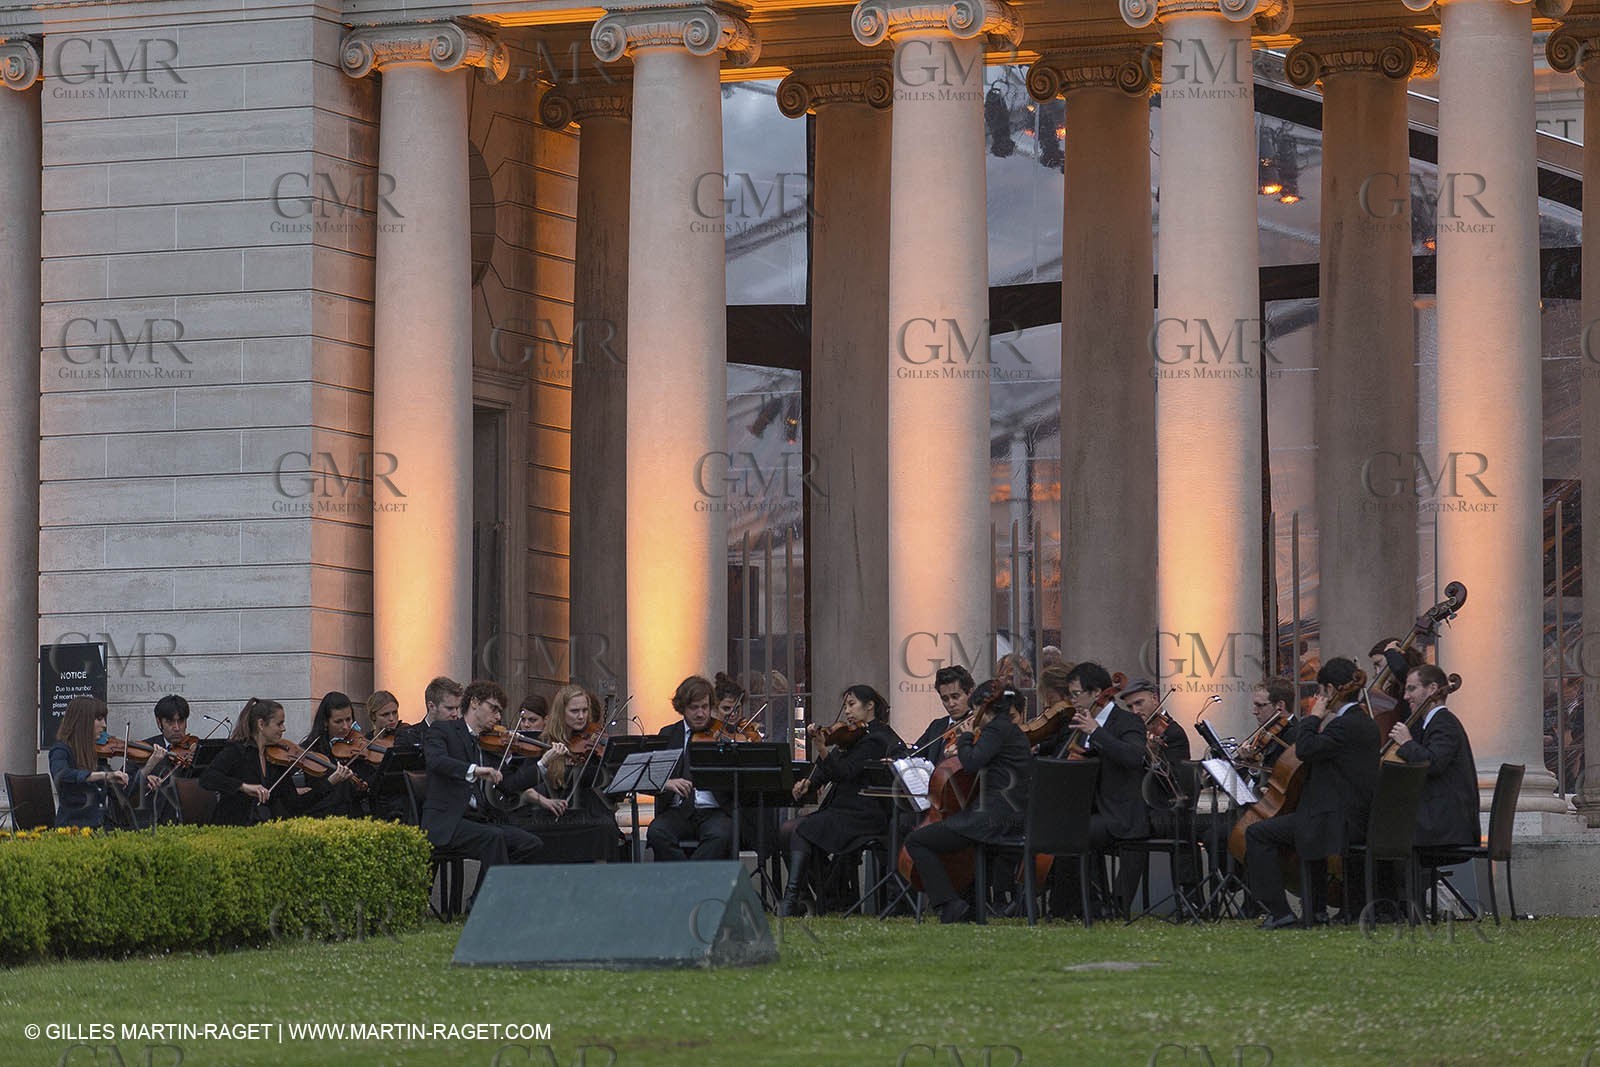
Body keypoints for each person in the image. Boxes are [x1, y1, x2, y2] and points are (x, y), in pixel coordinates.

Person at [1245, 656, 1380, 929]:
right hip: (1345, 815)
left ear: (1329, 690)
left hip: (1334, 820)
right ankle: (1315, 910)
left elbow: (1304, 749)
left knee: (1257, 833)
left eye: (1320, 691)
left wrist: (1313, 716)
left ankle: (1280, 912)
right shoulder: (1364, 721)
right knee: (1294, 824)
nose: (1319, 696)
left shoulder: (1345, 724)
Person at [421, 679, 565, 911]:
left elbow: (510, 785)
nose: (498, 717)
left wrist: (542, 764)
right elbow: (436, 761)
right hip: (448, 821)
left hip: (478, 821)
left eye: (500, 711)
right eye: (494, 708)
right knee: (493, 838)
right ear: (475, 703)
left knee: (530, 844)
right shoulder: (444, 730)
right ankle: (483, 907)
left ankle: (501, 898)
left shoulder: (488, 744)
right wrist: (474, 770)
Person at [903, 681, 1032, 924]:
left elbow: (972, 762)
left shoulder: (995, 730)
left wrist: (965, 738)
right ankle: (968, 907)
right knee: (957, 843)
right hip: (1012, 817)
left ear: (984, 709)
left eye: (975, 711)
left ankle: (949, 904)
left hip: (993, 819)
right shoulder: (1013, 732)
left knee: (916, 840)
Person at [779, 685, 903, 916]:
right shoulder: (852, 737)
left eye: (852, 704)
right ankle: (823, 896)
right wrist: (808, 782)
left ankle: (796, 898)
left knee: (799, 830)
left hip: (864, 814)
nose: (846, 711)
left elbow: (845, 771)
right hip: (841, 811)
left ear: (870, 706)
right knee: (787, 830)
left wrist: (823, 749)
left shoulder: (877, 738)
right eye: (845, 705)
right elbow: (827, 770)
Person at [515, 685, 624, 862]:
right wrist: (544, 800)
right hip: (551, 814)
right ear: (561, 712)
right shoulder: (544, 741)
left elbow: (608, 782)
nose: (581, 716)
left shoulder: (593, 742)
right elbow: (522, 785)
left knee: (606, 829)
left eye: (584, 710)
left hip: (589, 813)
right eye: (574, 711)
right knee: (527, 834)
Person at [647, 675, 735, 862]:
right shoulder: (668, 734)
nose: (701, 714)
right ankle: (692, 878)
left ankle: (687, 880)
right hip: (678, 811)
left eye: (705, 706)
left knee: (721, 835)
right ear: (682, 708)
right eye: (694, 708)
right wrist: (667, 782)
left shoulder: (722, 734)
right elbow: (652, 777)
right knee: (656, 832)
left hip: (714, 810)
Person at [1391, 665, 1479, 849]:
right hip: (1442, 822)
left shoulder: (1444, 723)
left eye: (1411, 688)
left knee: (1389, 837)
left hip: (1444, 826)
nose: (1406, 696)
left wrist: (1407, 743)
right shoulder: (1435, 723)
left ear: (1432, 689)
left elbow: (1433, 764)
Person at [200, 697, 302, 825]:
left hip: (264, 826)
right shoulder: (238, 751)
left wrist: (328, 783)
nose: (283, 729)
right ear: (261, 724)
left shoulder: (276, 759)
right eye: (279, 724)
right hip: (233, 825)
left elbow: (294, 803)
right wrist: (243, 786)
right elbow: (207, 778)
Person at [47, 697, 127, 828]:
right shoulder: (61, 750)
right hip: (74, 829)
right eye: (99, 719)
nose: (104, 725)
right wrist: (103, 775)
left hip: (102, 826)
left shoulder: (95, 753)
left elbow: (119, 791)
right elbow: (62, 774)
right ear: (83, 720)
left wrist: (148, 768)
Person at [298, 691, 367, 818]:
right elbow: (312, 796)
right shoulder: (311, 749)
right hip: (323, 816)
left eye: (348, 719)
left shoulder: (357, 746)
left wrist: (361, 786)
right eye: (338, 721)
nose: (346, 727)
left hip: (354, 815)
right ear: (325, 722)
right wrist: (331, 782)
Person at [912, 666, 974, 756]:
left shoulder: (979, 725)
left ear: (970, 693)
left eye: (955, 697)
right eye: (945, 699)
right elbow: (914, 754)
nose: (951, 704)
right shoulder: (937, 726)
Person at [395, 676, 465, 751]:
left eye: (457, 708)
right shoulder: (408, 737)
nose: (455, 714)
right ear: (431, 706)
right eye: (449, 708)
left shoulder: (463, 734)